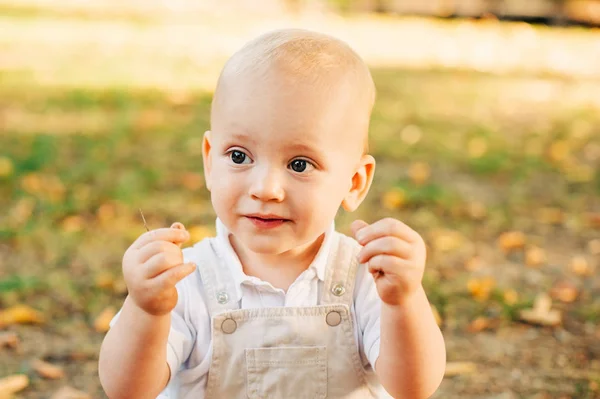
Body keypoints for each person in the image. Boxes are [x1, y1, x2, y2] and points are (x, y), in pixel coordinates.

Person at [98, 28, 446, 399]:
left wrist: (404, 302)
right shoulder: (184, 281)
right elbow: (127, 390)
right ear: (209, 162)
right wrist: (146, 312)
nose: (265, 188)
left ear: (354, 182)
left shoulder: (367, 278)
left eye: (299, 164)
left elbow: (413, 388)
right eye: (238, 156)